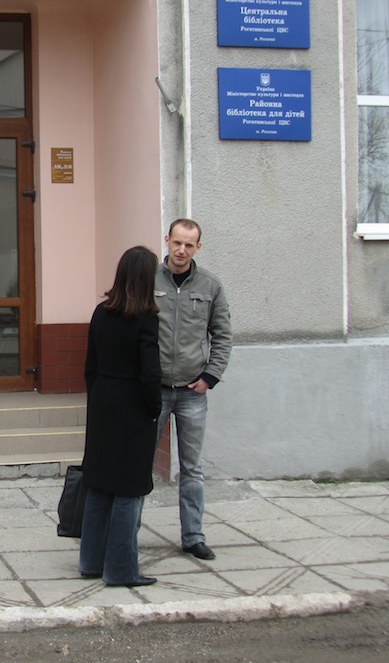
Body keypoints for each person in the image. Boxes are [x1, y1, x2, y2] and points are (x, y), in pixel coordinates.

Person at [79, 245, 162, 587]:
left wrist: (98, 398)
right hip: (132, 409)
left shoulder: (101, 312)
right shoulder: (145, 319)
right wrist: (153, 410)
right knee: (129, 489)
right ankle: (122, 570)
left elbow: (90, 365)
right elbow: (150, 373)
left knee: (99, 484)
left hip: (102, 404)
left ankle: (91, 562)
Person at [154, 218, 232, 561]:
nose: (182, 250)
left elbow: (223, 335)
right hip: (153, 391)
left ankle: (193, 536)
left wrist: (210, 376)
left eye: (189, 245)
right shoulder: (148, 281)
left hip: (191, 391)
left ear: (198, 247)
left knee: (192, 468)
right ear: (167, 240)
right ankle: (128, 531)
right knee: (139, 466)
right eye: (177, 243)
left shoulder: (210, 285)